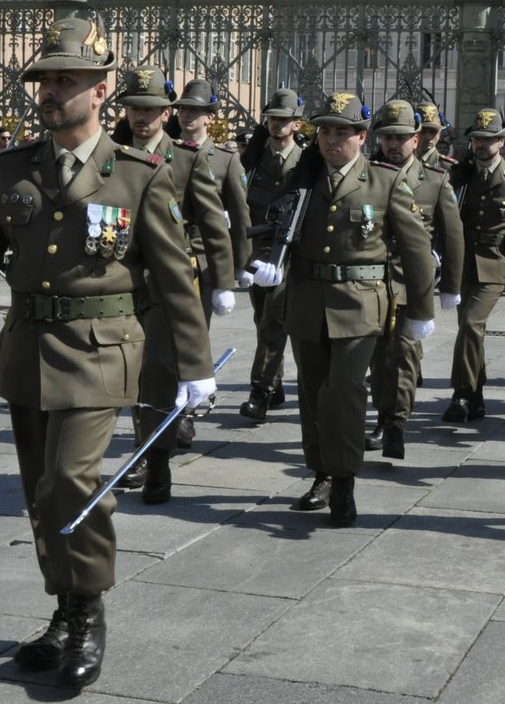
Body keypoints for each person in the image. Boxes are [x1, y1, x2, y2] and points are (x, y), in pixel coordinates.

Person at [0, 13, 213, 693]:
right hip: (28, 350)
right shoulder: (14, 169)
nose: (50, 90)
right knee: (41, 493)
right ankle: (62, 610)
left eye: (67, 79)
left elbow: (177, 277)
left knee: (74, 483)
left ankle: (90, 609)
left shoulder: (139, 176)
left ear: (103, 90)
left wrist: (194, 367)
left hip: (101, 351)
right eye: (45, 78)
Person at [248, 92, 437, 526]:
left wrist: (421, 311)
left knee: (346, 394)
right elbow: (272, 226)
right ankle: (321, 474)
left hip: (360, 306)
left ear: (361, 136)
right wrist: (262, 263)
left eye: (342, 132)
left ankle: (345, 480)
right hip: (307, 302)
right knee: (313, 396)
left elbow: (416, 251)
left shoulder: (385, 182)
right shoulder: (301, 179)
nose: (332, 140)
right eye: (325, 132)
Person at [111, 66, 233, 497]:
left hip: (168, 282)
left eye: (150, 109)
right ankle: (145, 451)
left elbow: (213, 224)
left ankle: (157, 460)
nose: (141, 117)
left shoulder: (186, 158)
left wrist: (223, 281)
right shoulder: (110, 154)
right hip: (120, 282)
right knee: (133, 375)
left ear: (166, 113)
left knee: (161, 373)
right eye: (133, 109)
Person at [365, 100, 464, 459]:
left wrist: (451, 287)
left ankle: (397, 424)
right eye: (388, 137)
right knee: (378, 358)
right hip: (374, 283)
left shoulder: (435, 181)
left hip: (412, 284)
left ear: (416, 138)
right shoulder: (369, 175)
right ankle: (381, 415)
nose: (393, 144)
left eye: (402, 137)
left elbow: (453, 237)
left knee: (405, 354)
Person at [442, 108, 505, 425]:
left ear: (502, 141)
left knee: (471, 324)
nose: (482, 145)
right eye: (477, 140)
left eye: (489, 139)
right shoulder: (463, 175)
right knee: (472, 333)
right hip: (463, 265)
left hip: (495, 267)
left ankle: (461, 393)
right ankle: (478, 398)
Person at [237, 89, 305, 423]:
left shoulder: (306, 161)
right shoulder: (252, 159)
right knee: (261, 317)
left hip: (289, 253)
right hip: (256, 249)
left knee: (274, 321)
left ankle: (259, 392)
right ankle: (275, 383)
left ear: (297, 123)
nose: (278, 125)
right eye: (273, 119)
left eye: (285, 120)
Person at [172, 78, 252, 325]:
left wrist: (240, 266)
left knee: (193, 337)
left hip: (202, 258)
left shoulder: (224, 160)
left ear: (210, 117)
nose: (186, 115)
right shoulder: (165, 154)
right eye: (182, 109)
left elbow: (240, 215)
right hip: (168, 253)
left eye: (194, 110)